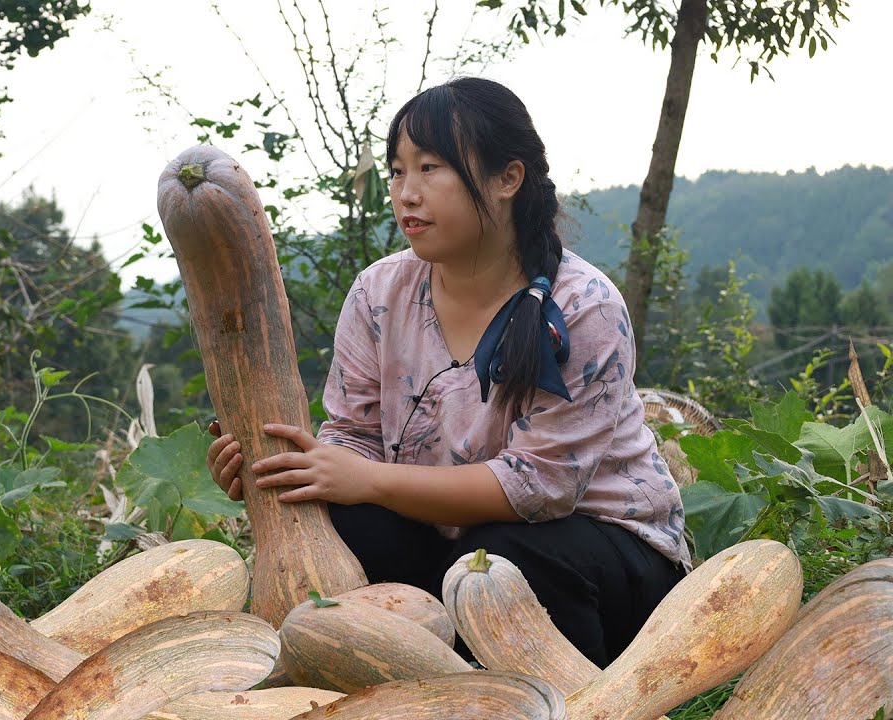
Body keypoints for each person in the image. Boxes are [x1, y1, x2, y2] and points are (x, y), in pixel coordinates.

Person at [204, 76, 690, 669]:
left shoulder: (582, 305)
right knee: (341, 512)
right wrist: (278, 470)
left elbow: (540, 490)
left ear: (508, 179)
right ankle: (402, 677)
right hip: (452, 548)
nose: (407, 192)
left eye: (430, 168)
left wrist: (369, 481)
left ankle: (568, 701)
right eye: (396, 171)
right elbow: (351, 440)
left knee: (500, 558)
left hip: (602, 564)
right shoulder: (380, 292)